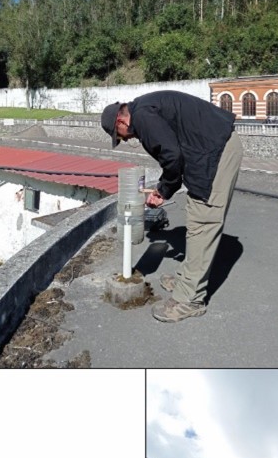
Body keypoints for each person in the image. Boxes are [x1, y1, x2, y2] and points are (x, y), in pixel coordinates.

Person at [100, 91, 243, 322]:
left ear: (121, 121)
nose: (126, 140)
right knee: (197, 218)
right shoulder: (146, 108)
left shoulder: (143, 117)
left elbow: (172, 155)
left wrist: (163, 190)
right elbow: (174, 151)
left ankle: (189, 300)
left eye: (121, 136)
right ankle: (188, 279)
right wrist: (164, 189)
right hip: (211, 149)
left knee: (202, 223)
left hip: (217, 152)